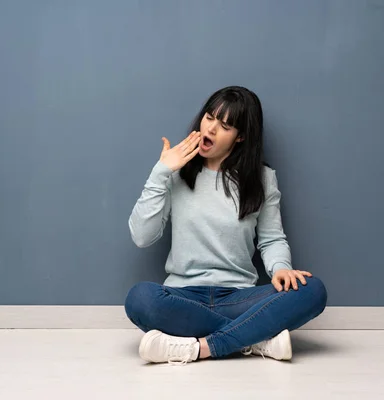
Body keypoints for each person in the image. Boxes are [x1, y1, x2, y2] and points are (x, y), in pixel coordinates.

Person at [125, 86, 327, 365]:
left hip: (239, 298)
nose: (211, 129)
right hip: (184, 296)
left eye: (225, 126)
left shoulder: (262, 179)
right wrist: (160, 172)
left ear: (240, 136)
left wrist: (281, 268)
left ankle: (200, 347)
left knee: (312, 290)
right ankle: (253, 339)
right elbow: (141, 236)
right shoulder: (176, 170)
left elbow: (271, 239)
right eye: (209, 118)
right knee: (140, 299)